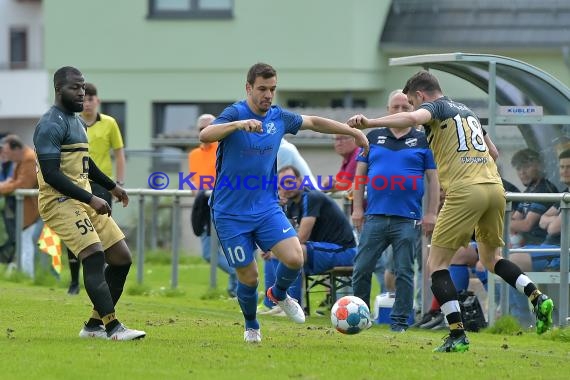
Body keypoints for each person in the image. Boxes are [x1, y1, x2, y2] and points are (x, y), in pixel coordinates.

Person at [348, 70, 553, 352]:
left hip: (466, 190)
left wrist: (369, 121)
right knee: (492, 259)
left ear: (420, 96)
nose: (412, 108)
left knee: (436, 264)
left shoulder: (435, 107)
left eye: (411, 101)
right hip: (494, 188)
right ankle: (537, 297)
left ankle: (457, 335)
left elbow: (411, 119)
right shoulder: (466, 112)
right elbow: (493, 154)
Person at [199, 62, 369, 343]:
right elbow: (205, 135)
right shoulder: (235, 113)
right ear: (248, 88)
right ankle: (252, 325)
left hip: (266, 207)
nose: (268, 95)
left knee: (295, 257)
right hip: (229, 213)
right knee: (249, 276)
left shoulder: (279, 118)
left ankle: (278, 294)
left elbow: (314, 122)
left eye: (272, 89)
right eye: (262, 89)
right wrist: (238, 125)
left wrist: (353, 132)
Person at [34, 66, 145, 340]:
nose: (81, 93)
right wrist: (92, 198)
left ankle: (93, 326)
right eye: (75, 87)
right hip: (58, 200)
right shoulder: (50, 123)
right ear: (59, 89)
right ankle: (113, 328)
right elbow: (51, 175)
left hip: (83, 199)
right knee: (94, 255)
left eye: (83, 87)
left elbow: (87, 164)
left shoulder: (78, 122)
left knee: (121, 258)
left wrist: (111, 186)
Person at [351, 89, 439, 332]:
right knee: (362, 268)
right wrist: (357, 208)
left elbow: (434, 181)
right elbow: (359, 177)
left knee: (404, 272)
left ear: (412, 110)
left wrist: (431, 213)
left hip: (407, 219)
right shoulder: (372, 136)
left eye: (406, 108)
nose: (400, 111)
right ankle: (359, 316)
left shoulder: (423, 141)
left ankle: (399, 323)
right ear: (388, 110)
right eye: (396, 107)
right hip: (375, 216)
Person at [66, 82, 127, 295]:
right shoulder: (72, 123)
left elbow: (119, 153)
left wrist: (118, 183)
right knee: (76, 230)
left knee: (102, 231)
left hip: (103, 185)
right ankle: (74, 282)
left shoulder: (109, 123)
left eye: (91, 99)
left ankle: (99, 279)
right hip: (78, 183)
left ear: (97, 101)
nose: (88, 103)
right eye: (84, 99)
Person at [279, 165, 357, 307]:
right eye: (283, 184)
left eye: (290, 181)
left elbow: (301, 238)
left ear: (300, 180)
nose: (287, 187)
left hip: (344, 251)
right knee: (279, 251)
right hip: (325, 250)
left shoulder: (311, 197)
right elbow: (283, 234)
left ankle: (291, 305)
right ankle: (279, 303)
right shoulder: (291, 204)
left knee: (295, 251)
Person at [508, 149, 569, 326]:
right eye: (562, 167)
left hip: (560, 251)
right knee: (502, 259)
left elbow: (549, 226)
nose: (564, 171)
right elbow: (544, 221)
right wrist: (552, 221)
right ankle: (511, 314)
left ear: (538, 166)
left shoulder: (547, 189)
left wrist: (552, 221)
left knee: (511, 261)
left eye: (569, 167)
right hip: (547, 248)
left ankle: (523, 320)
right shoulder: (564, 191)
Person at [188, 113, 237, 298]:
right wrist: (197, 189)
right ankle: (238, 276)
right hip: (204, 206)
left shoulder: (224, 148)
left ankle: (235, 289)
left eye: (209, 127)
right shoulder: (193, 154)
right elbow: (193, 180)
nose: (205, 131)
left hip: (225, 204)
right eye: (201, 128)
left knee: (231, 247)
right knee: (209, 253)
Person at [0, 135, 42, 278]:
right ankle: (26, 275)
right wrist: (7, 185)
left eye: (6, 151)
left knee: (27, 243)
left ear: (16, 148)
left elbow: (23, 185)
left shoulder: (28, 158)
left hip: (33, 210)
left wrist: (2, 188)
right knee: (25, 243)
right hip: (28, 210)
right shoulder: (21, 158)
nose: (5, 155)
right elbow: (14, 180)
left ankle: (28, 276)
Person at [509, 148, 558, 248]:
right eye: (519, 168)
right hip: (527, 245)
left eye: (526, 166)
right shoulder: (529, 191)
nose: (522, 172)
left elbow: (526, 225)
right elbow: (515, 219)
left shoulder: (544, 190)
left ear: (539, 166)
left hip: (542, 246)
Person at [0, 145, 15, 264]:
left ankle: (5, 261)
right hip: (5, 206)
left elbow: (9, 182)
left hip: (7, 207)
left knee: (11, 236)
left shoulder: (10, 165)